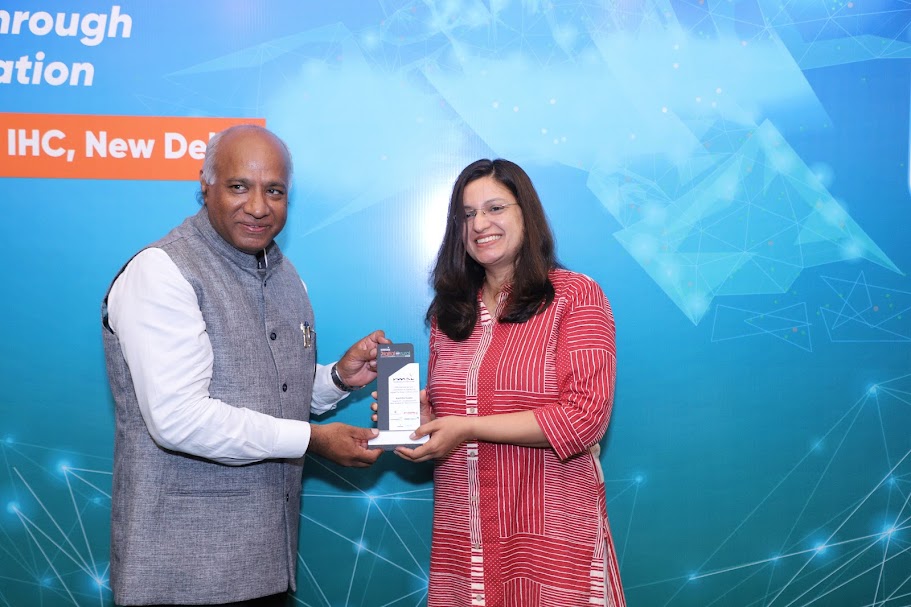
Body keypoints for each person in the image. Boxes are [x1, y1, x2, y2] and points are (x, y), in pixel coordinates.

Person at [101, 124, 384, 607]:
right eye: (239, 186)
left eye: (274, 191)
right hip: (181, 574)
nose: (258, 207)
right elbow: (179, 419)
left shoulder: (285, 274)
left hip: (267, 564)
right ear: (205, 184)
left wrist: (337, 378)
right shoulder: (162, 270)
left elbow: (271, 393)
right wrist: (313, 440)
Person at [396, 159, 626, 606]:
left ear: (527, 214)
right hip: (464, 543)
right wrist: (427, 422)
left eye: (495, 208)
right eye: (467, 214)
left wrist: (467, 426)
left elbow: (584, 420)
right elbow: (454, 422)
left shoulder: (575, 296)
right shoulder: (449, 314)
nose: (480, 224)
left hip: (552, 543)